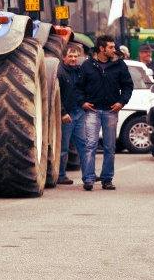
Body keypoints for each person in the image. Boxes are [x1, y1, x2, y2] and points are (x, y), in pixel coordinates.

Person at [76, 34, 133, 191]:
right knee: (90, 145)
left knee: (109, 146)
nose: (113, 50)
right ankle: (88, 179)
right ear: (101, 48)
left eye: (113, 47)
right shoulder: (87, 65)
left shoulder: (120, 65)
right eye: (110, 47)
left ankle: (107, 179)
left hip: (110, 110)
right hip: (92, 111)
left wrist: (121, 102)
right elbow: (78, 87)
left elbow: (128, 85)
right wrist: (82, 103)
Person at [56, 43, 88, 185]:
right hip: (67, 116)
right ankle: (61, 175)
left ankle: (89, 175)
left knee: (83, 146)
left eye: (76, 56)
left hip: (79, 113)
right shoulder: (60, 73)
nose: (74, 59)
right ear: (63, 58)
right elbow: (57, 96)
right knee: (63, 148)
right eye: (70, 56)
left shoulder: (78, 71)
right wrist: (63, 113)